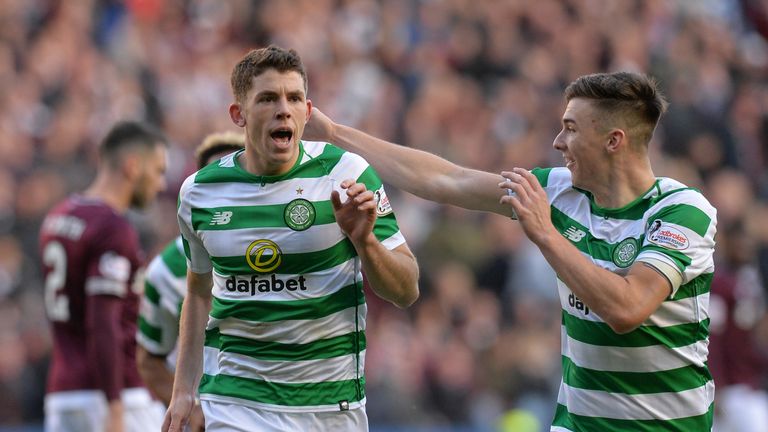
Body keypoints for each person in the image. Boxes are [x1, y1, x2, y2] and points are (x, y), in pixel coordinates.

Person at [303, 72, 718, 431]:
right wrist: (335, 134)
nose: (557, 141)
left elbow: (627, 309)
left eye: (571, 128)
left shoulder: (680, 211)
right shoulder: (558, 192)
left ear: (614, 140)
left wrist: (545, 233)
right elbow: (449, 180)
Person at [163, 45, 420, 432]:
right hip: (235, 403)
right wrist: (184, 390)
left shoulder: (347, 174)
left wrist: (365, 242)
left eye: (294, 98)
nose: (283, 109)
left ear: (306, 110)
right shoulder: (199, 193)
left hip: (332, 407)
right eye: (267, 98)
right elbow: (199, 292)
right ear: (239, 114)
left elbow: (407, 290)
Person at [39, 120, 169, 432]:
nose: (161, 183)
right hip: (114, 396)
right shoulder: (112, 228)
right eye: (158, 170)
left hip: (63, 395)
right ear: (133, 166)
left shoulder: (59, 216)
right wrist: (114, 405)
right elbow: (103, 322)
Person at [136, 132, 246, 432]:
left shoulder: (281, 249)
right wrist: (189, 405)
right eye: (215, 180)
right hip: (215, 415)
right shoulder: (166, 271)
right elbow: (148, 359)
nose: (225, 192)